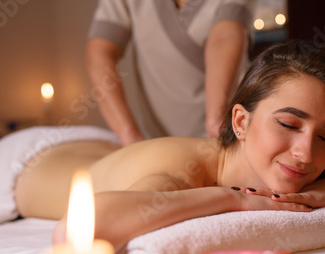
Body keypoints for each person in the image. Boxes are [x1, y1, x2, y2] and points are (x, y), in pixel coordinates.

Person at [14, 40, 325, 250]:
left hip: (107, 155)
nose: (307, 154)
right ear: (241, 121)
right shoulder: (185, 173)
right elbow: (72, 232)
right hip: (31, 159)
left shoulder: (315, 167)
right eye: (289, 124)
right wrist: (231, 201)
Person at [86, 0, 256, 146]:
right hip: (156, 140)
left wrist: (216, 124)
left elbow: (223, 38)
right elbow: (100, 53)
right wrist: (129, 136)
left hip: (226, 133)